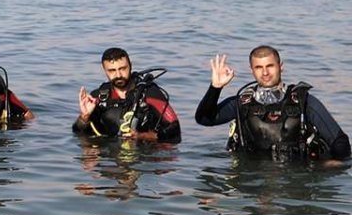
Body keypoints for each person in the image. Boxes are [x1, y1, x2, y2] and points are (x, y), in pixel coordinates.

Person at [194, 46, 349, 160]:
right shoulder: (242, 103)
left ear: (281, 67)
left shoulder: (303, 101)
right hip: (253, 182)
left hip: (294, 181)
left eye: (270, 66)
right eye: (259, 67)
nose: (265, 72)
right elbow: (204, 119)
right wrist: (215, 88)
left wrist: (333, 163)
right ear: (251, 71)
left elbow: (340, 142)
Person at [73, 47, 180, 142]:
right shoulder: (98, 97)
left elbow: (175, 129)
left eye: (123, 68)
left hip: (143, 156)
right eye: (112, 70)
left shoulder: (149, 92)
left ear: (130, 66)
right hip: (109, 158)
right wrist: (84, 117)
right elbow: (78, 134)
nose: (118, 75)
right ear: (104, 70)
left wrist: (145, 136)